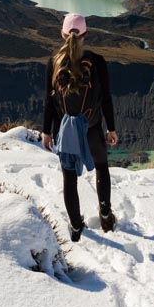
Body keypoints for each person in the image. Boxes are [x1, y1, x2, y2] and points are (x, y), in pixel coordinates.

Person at [42, 13, 119, 242]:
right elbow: (106, 98)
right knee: (102, 167)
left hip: (65, 131)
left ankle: (76, 226)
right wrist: (111, 128)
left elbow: (49, 101)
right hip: (92, 127)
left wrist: (47, 132)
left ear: (63, 33)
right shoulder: (97, 61)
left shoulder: (54, 63)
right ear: (85, 34)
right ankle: (105, 214)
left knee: (69, 178)